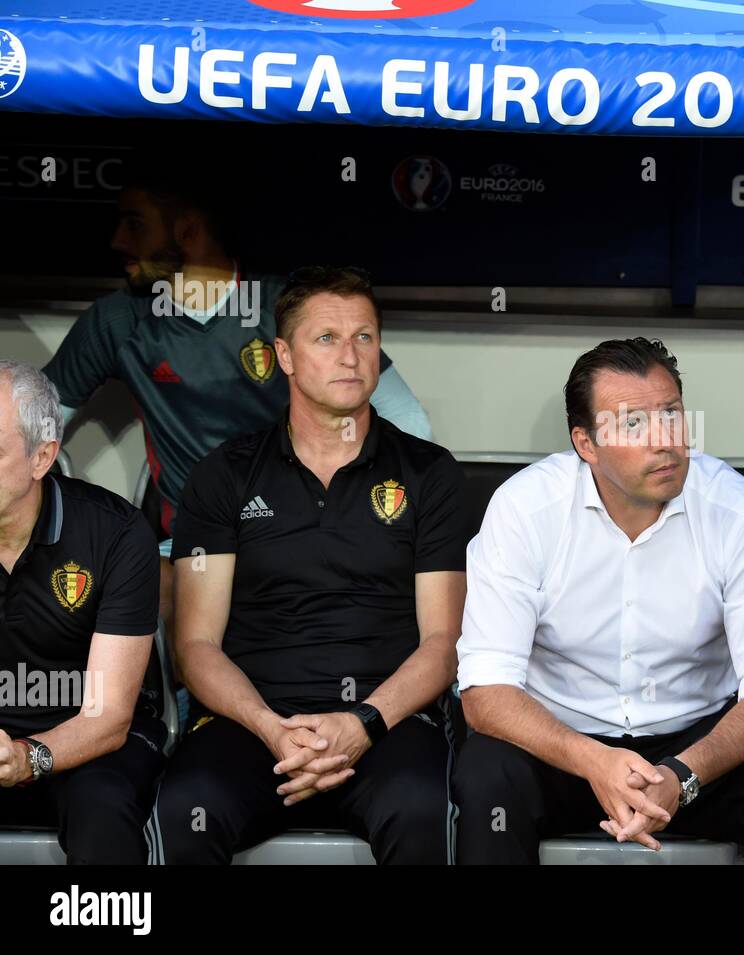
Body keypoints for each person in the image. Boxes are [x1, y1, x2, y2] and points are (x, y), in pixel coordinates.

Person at [41, 160, 433, 669]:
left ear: (188, 230)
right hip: (189, 545)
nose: (118, 240)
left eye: (135, 223)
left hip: (302, 535)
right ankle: (172, 727)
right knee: (109, 590)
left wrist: (345, 510)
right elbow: (26, 422)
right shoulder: (120, 320)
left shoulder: (284, 305)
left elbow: (409, 423)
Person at [454, 337, 744, 864]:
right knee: (487, 773)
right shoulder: (525, 509)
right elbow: (485, 691)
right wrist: (593, 761)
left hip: (697, 752)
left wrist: (682, 775)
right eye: (632, 424)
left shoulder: (737, 510)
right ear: (585, 444)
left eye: (672, 414)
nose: (665, 440)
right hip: (562, 749)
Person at [152, 267, 467, 864]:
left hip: (389, 724)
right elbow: (196, 645)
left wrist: (361, 724)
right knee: (187, 806)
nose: (351, 356)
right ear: (283, 357)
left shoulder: (430, 473)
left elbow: (443, 642)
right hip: (251, 724)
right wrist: (274, 729)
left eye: (366, 337)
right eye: (326, 338)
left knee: (423, 808)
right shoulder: (225, 474)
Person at [0, 360, 165, 864]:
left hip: (95, 742)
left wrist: (27, 758)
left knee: (102, 809)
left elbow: (108, 718)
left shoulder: (116, 534)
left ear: (41, 457)